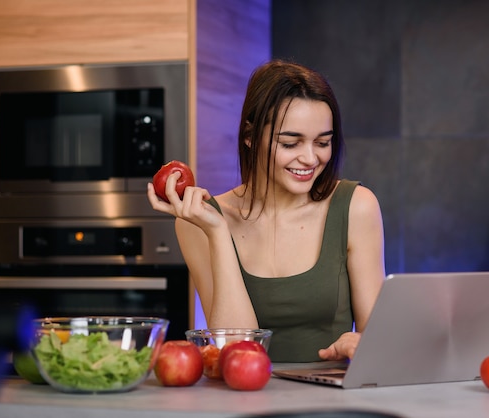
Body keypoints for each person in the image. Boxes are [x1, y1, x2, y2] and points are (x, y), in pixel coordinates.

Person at [147, 59, 385, 363]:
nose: (310, 158)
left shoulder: (356, 207)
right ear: (250, 136)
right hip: (246, 400)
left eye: (323, 142)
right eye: (290, 143)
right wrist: (218, 232)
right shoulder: (199, 222)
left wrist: (363, 345)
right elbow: (235, 350)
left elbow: (377, 345)